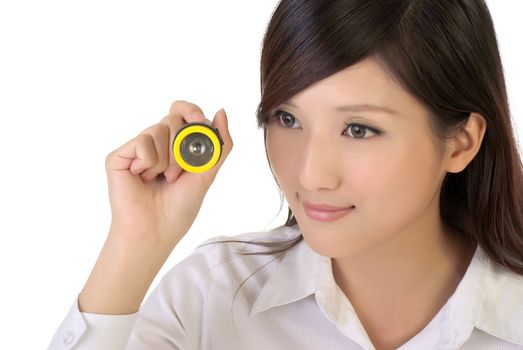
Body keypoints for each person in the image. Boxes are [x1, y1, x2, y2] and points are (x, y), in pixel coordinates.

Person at [49, 0, 523, 349]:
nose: (312, 174)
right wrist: (135, 245)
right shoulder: (212, 296)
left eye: (358, 129)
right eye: (287, 119)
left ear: (461, 142)